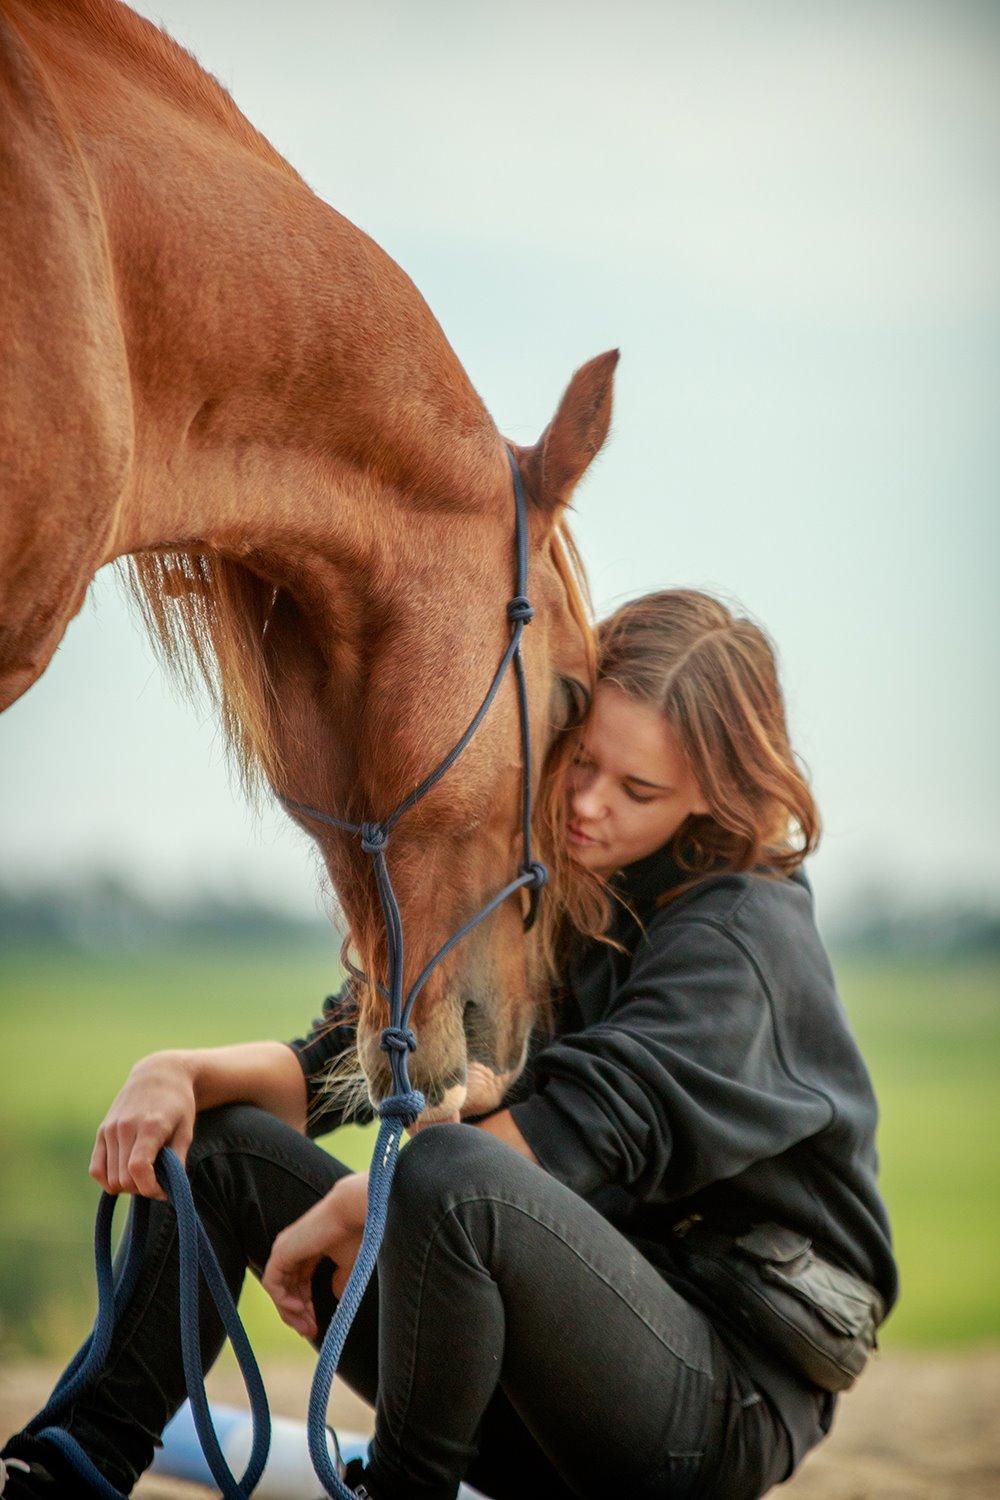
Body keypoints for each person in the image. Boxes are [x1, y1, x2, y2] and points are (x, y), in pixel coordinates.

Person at [1, 588, 896, 1500]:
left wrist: (357, 1207)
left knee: (444, 1172)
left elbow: (580, 1134)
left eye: (638, 789)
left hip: (706, 1404)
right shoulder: (542, 879)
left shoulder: (746, 934)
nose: (588, 804)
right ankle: (66, 1475)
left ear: (716, 791)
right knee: (220, 1146)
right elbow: (349, 1069)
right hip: (521, 1375)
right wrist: (176, 1074)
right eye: (580, 762)